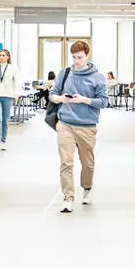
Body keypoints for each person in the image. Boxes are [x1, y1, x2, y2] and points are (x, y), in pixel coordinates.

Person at [49, 41, 108, 213]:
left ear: (87, 55)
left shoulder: (98, 77)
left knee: (87, 163)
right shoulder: (65, 73)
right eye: (74, 57)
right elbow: (53, 95)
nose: (76, 61)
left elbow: (103, 102)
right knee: (66, 162)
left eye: (79, 57)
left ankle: (87, 188)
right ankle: (68, 197)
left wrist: (84, 100)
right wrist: (61, 99)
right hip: (65, 124)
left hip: (87, 126)